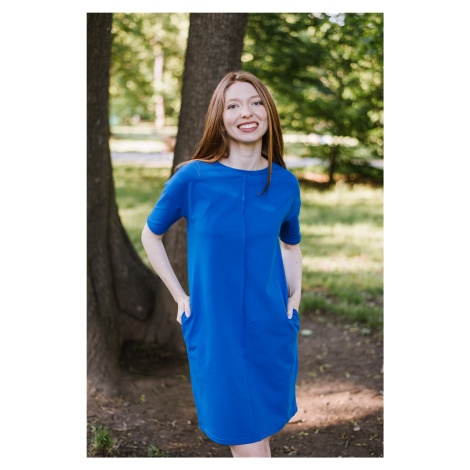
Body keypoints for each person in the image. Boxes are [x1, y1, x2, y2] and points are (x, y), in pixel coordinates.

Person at [141, 71, 302, 458]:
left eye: (256, 102)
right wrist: (180, 296)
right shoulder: (193, 178)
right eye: (234, 105)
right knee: (247, 442)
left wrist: (294, 299)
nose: (247, 112)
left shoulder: (285, 183)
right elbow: (150, 235)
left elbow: (290, 246)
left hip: (269, 326)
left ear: (269, 112)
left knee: (261, 436)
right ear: (220, 117)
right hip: (217, 330)